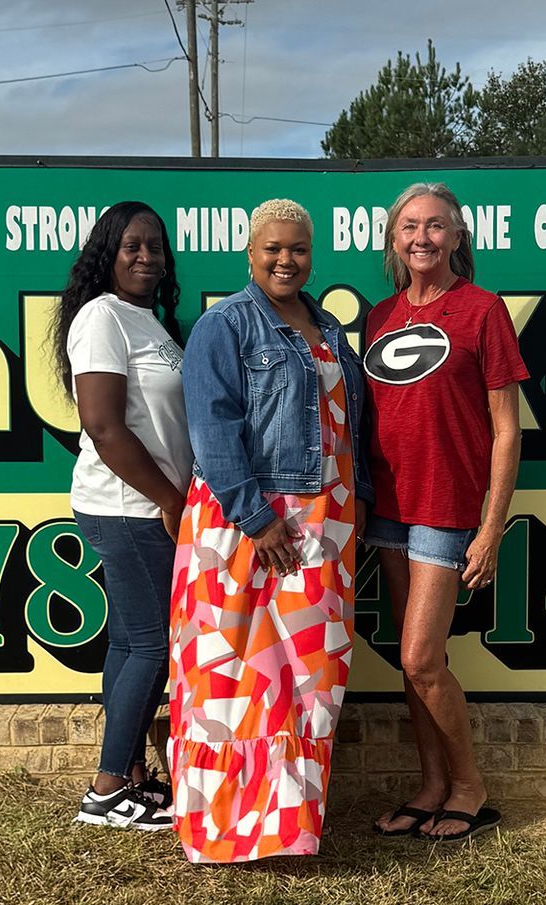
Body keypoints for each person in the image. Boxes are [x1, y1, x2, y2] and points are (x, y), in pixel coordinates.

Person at [167, 198, 373, 863]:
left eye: (299, 249)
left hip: (324, 523)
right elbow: (212, 429)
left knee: (310, 676)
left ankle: (289, 829)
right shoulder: (224, 324)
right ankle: (221, 831)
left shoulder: (328, 326)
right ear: (250, 253)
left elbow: (348, 428)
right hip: (247, 523)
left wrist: (359, 502)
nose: (287, 260)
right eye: (273, 249)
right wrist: (256, 519)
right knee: (229, 673)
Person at [364, 182, 527, 842]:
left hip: (445, 506)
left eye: (435, 225)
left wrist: (491, 527)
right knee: (412, 663)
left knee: (420, 658)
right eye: (409, 226)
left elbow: (508, 429)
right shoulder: (380, 316)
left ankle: (469, 786)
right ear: (393, 240)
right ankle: (432, 785)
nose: (422, 237)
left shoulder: (482, 310)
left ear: (457, 237)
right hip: (388, 508)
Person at [55, 201, 189, 831]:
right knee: (154, 645)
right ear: (107, 252)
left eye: (155, 246)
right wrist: (170, 499)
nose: (146, 257)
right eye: (132, 245)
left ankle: (131, 776)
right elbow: (104, 426)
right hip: (129, 506)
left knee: (130, 642)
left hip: (143, 504)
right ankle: (107, 790)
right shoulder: (101, 317)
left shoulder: (147, 320)